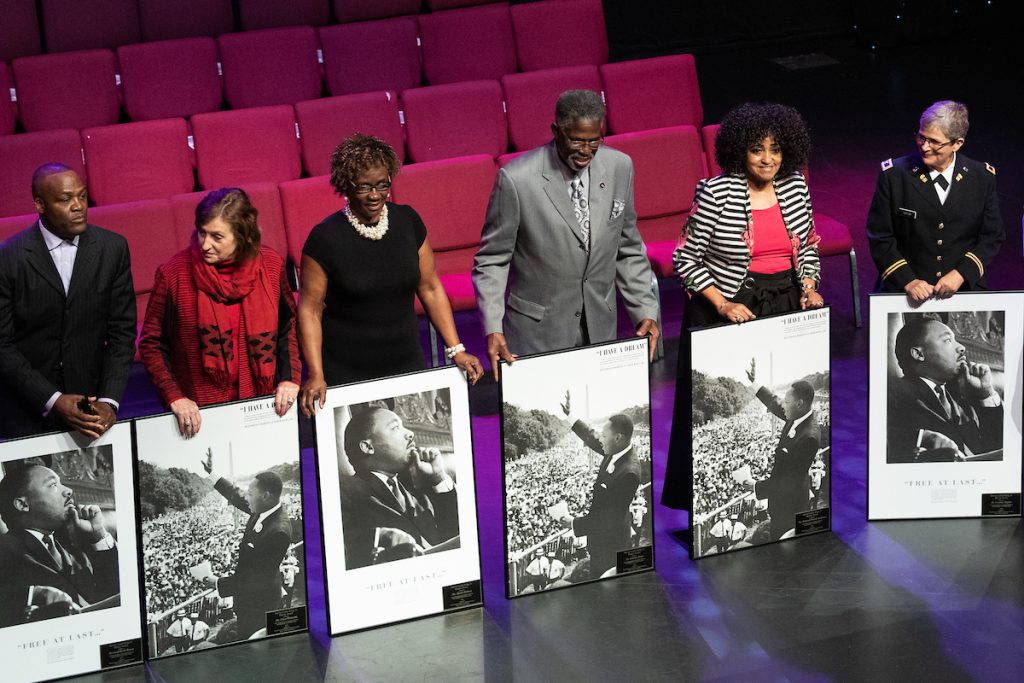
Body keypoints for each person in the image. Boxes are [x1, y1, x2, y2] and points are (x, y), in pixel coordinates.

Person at [663, 102, 824, 509]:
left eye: (776, 149)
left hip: (784, 301)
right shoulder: (715, 192)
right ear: (740, 151)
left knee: (786, 399)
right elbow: (685, 258)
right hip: (730, 306)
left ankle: (788, 501)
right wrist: (722, 304)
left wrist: (808, 284)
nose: (768, 159)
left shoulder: (795, 186)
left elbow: (806, 247)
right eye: (757, 149)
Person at [472, 89, 660, 378]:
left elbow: (628, 246)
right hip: (537, 332)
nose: (585, 151)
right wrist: (493, 327)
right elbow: (492, 260)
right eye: (576, 141)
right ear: (556, 131)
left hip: (600, 326)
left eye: (594, 141)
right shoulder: (516, 179)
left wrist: (645, 309)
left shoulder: (619, 167)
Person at [298, 134, 482, 414]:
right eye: (364, 187)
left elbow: (431, 288)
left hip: (405, 359)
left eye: (383, 185)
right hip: (347, 367)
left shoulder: (408, 222)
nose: (375, 195)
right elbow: (310, 311)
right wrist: (315, 373)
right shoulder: (325, 238)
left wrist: (456, 349)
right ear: (346, 186)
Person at [139, 188, 301, 438]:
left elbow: (286, 326)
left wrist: (290, 377)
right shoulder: (174, 274)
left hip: (260, 407)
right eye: (202, 233)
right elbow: (151, 343)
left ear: (243, 237)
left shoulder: (271, 265)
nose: (205, 244)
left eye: (217, 237)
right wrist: (175, 397)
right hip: (198, 413)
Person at [0, 163, 136, 440]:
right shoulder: (8, 258)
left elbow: (122, 332)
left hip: (94, 407)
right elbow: (2, 344)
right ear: (40, 204)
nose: (78, 206)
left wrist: (109, 401)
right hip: (26, 408)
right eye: (65, 199)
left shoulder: (113, 248)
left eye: (82, 196)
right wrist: (52, 398)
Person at [867, 100, 1003, 302]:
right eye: (921, 138)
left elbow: (992, 236)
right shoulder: (895, 176)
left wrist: (961, 274)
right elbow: (880, 236)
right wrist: (908, 280)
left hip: (963, 287)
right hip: (906, 287)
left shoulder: (981, 178)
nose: (925, 147)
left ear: (957, 143)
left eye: (934, 141)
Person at [338, 407, 460, 570]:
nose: (410, 433)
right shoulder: (344, 492)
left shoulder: (418, 490)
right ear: (368, 447)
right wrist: (378, 537)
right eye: (395, 427)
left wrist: (438, 478)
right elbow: (343, 550)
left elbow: (454, 533)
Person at [0, 463, 120, 627]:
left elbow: (111, 594)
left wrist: (98, 535)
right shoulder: (5, 552)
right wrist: (30, 596)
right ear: (23, 505)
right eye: (53, 485)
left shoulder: (74, 552)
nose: (68, 490)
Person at [200, 449, 291, 640]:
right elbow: (236, 495)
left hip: (259, 606)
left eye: (250, 493)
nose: (246, 497)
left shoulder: (278, 532)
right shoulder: (263, 508)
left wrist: (217, 582)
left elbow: (256, 579)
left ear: (265, 496)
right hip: (249, 601)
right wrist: (212, 474)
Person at [887, 315, 1002, 463]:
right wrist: (922, 437)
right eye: (948, 340)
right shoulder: (893, 394)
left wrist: (985, 394)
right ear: (918, 354)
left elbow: (996, 445)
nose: (961, 348)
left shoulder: (963, 399)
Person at [556, 391, 641, 577]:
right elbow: (591, 436)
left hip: (611, 545)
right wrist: (570, 416)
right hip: (600, 540)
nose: (600, 439)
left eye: (604, 436)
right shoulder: (615, 450)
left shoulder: (629, 473)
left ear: (617, 438)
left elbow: (609, 518)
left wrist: (574, 524)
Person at [739, 360, 821, 541]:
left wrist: (755, 486)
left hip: (790, 506)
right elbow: (774, 402)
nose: (783, 405)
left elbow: (788, 482)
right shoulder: (797, 414)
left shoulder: (809, 438)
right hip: (781, 501)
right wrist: (755, 382)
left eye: (787, 401)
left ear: (799, 403)